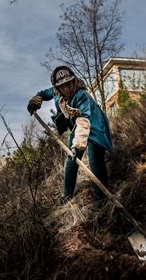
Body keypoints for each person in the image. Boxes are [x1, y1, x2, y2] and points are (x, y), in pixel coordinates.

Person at [27, 65, 113, 202]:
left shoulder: (81, 95)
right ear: (58, 88)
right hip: (76, 127)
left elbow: (83, 122)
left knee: (95, 161)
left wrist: (77, 146)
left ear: (74, 81)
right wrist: (37, 99)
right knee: (71, 161)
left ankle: (101, 200)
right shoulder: (56, 93)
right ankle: (67, 197)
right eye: (62, 85)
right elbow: (44, 94)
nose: (66, 88)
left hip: (94, 125)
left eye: (69, 83)